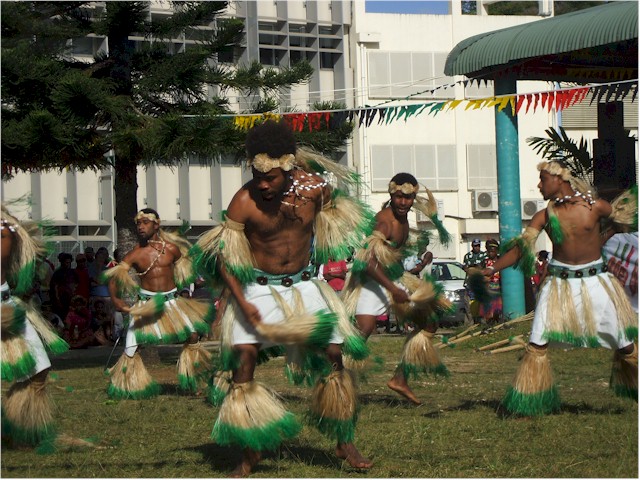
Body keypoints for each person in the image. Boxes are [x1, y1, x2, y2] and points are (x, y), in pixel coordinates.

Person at [193, 120, 372, 476]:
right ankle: (251, 448)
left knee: (334, 359)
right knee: (243, 366)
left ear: (288, 167)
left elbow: (340, 214)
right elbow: (225, 259)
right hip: (257, 290)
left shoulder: (315, 190)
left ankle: (343, 438)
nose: (263, 184)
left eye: (271, 177)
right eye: (257, 176)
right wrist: (242, 304)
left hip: (306, 286)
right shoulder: (243, 202)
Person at [480, 159, 637, 416]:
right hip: (558, 287)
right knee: (537, 343)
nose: (539, 185)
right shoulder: (544, 215)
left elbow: (624, 218)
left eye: (543, 179)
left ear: (559, 178)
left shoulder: (594, 206)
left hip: (596, 283)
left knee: (625, 345)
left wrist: (606, 235)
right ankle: (527, 403)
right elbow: (521, 249)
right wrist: (492, 268)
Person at [341, 173, 452, 406]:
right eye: (399, 197)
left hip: (395, 280)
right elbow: (367, 261)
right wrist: (393, 288)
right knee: (364, 331)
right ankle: (336, 382)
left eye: (409, 198)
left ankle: (400, 378)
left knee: (429, 322)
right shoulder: (384, 221)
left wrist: (406, 277)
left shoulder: (403, 220)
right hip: (372, 283)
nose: (404, 202)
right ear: (391, 195)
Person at [104, 208, 213, 399]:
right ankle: (128, 386)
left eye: (145, 222)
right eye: (138, 223)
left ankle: (192, 383)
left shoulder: (171, 249)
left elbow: (186, 270)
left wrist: (187, 289)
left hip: (172, 302)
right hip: (147, 304)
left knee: (193, 336)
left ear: (156, 225)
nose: (140, 227)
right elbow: (114, 278)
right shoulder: (135, 254)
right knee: (132, 346)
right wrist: (116, 300)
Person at [1, 205, 70, 449]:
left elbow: (27, 253)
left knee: (39, 368)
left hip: (8, 306)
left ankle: (21, 427)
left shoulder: (6, 227)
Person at [49, 252, 79, 321]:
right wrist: (57, 300)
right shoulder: (58, 273)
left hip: (71, 299)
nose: (68, 264)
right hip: (61, 299)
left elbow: (77, 284)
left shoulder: (73, 272)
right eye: (66, 262)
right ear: (62, 262)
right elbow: (55, 287)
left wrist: (73, 292)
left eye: (69, 262)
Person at [478, 238, 502, 324]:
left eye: (492, 251)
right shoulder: (484, 262)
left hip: (499, 290)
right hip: (488, 290)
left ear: (497, 251)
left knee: (498, 311)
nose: (490, 253)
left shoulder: (501, 261)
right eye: (489, 251)